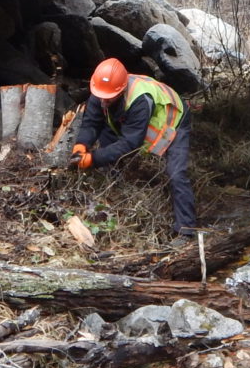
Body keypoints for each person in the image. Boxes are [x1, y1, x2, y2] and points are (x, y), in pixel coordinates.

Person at [69, 57, 198, 236]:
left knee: (176, 174)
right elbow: (91, 123)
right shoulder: (100, 91)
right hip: (127, 116)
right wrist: (81, 145)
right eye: (101, 98)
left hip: (174, 118)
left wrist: (94, 158)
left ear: (121, 90)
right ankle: (115, 189)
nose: (103, 102)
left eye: (109, 98)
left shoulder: (140, 101)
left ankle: (186, 229)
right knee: (107, 134)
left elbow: (131, 142)